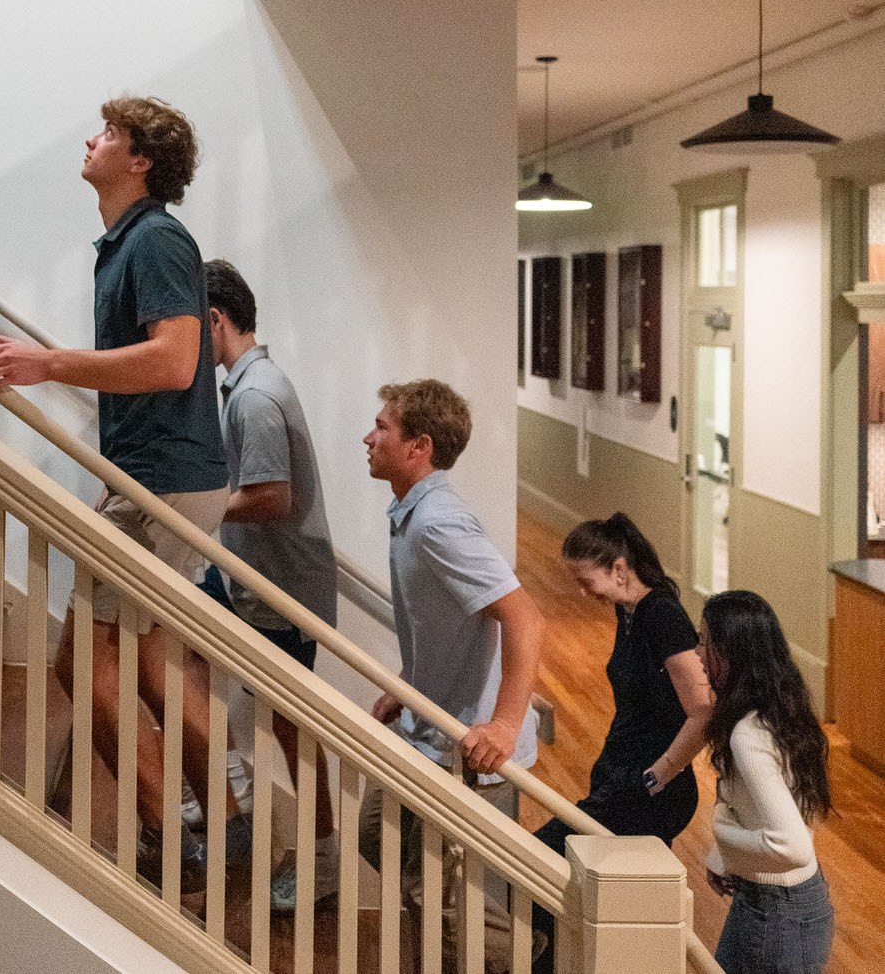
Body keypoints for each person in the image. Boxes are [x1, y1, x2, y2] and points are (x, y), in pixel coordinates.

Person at [0, 96, 242, 887]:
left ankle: (175, 837)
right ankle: (220, 826)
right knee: (150, 662)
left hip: (162, 479)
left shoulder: (153, 238)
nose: (92, 140)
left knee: (81, 663)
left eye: (109, 134)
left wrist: (48, 364)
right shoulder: (133, 241)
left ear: (141, 159)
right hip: (166, 476)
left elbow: (174, 363)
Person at [357, 379, 544, 892]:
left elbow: (524, 617)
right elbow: (443, 622)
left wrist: (504, 726)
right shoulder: (411, 515)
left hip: (470, 751)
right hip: (429, 731)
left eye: (381, 428)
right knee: (379, 839)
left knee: (462, 912)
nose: (368, 439)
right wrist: (408, 682)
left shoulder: (437, 522)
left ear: (419, 447)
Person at [200, 258, 339, 910]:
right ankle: (229, 799)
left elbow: (271, 497)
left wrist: (199, 505)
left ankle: (321, 862)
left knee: (290, 732)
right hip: (254, 580)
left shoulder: (254, 396)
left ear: (214, 320)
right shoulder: (255, 381)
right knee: (190, 661)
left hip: (282, 594)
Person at [531, 513, 714, 971]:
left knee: (544, 866)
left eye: (584, 580)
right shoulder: (628, 610)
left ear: (618, 568)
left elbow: (704, 708)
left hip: (649, 791)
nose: (580, 592)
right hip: (622, 780)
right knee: (594, 894)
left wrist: (660, 773)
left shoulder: (662, 615)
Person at [701, 590, 834, 974]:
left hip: (779, 915)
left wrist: (722, 834)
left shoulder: (748, 734)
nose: (697, 653)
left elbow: (790, 845)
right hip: (775, 902)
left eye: (704, 642)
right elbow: (769, 806)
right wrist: (723, 856)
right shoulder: (776, 710)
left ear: (729, 653)